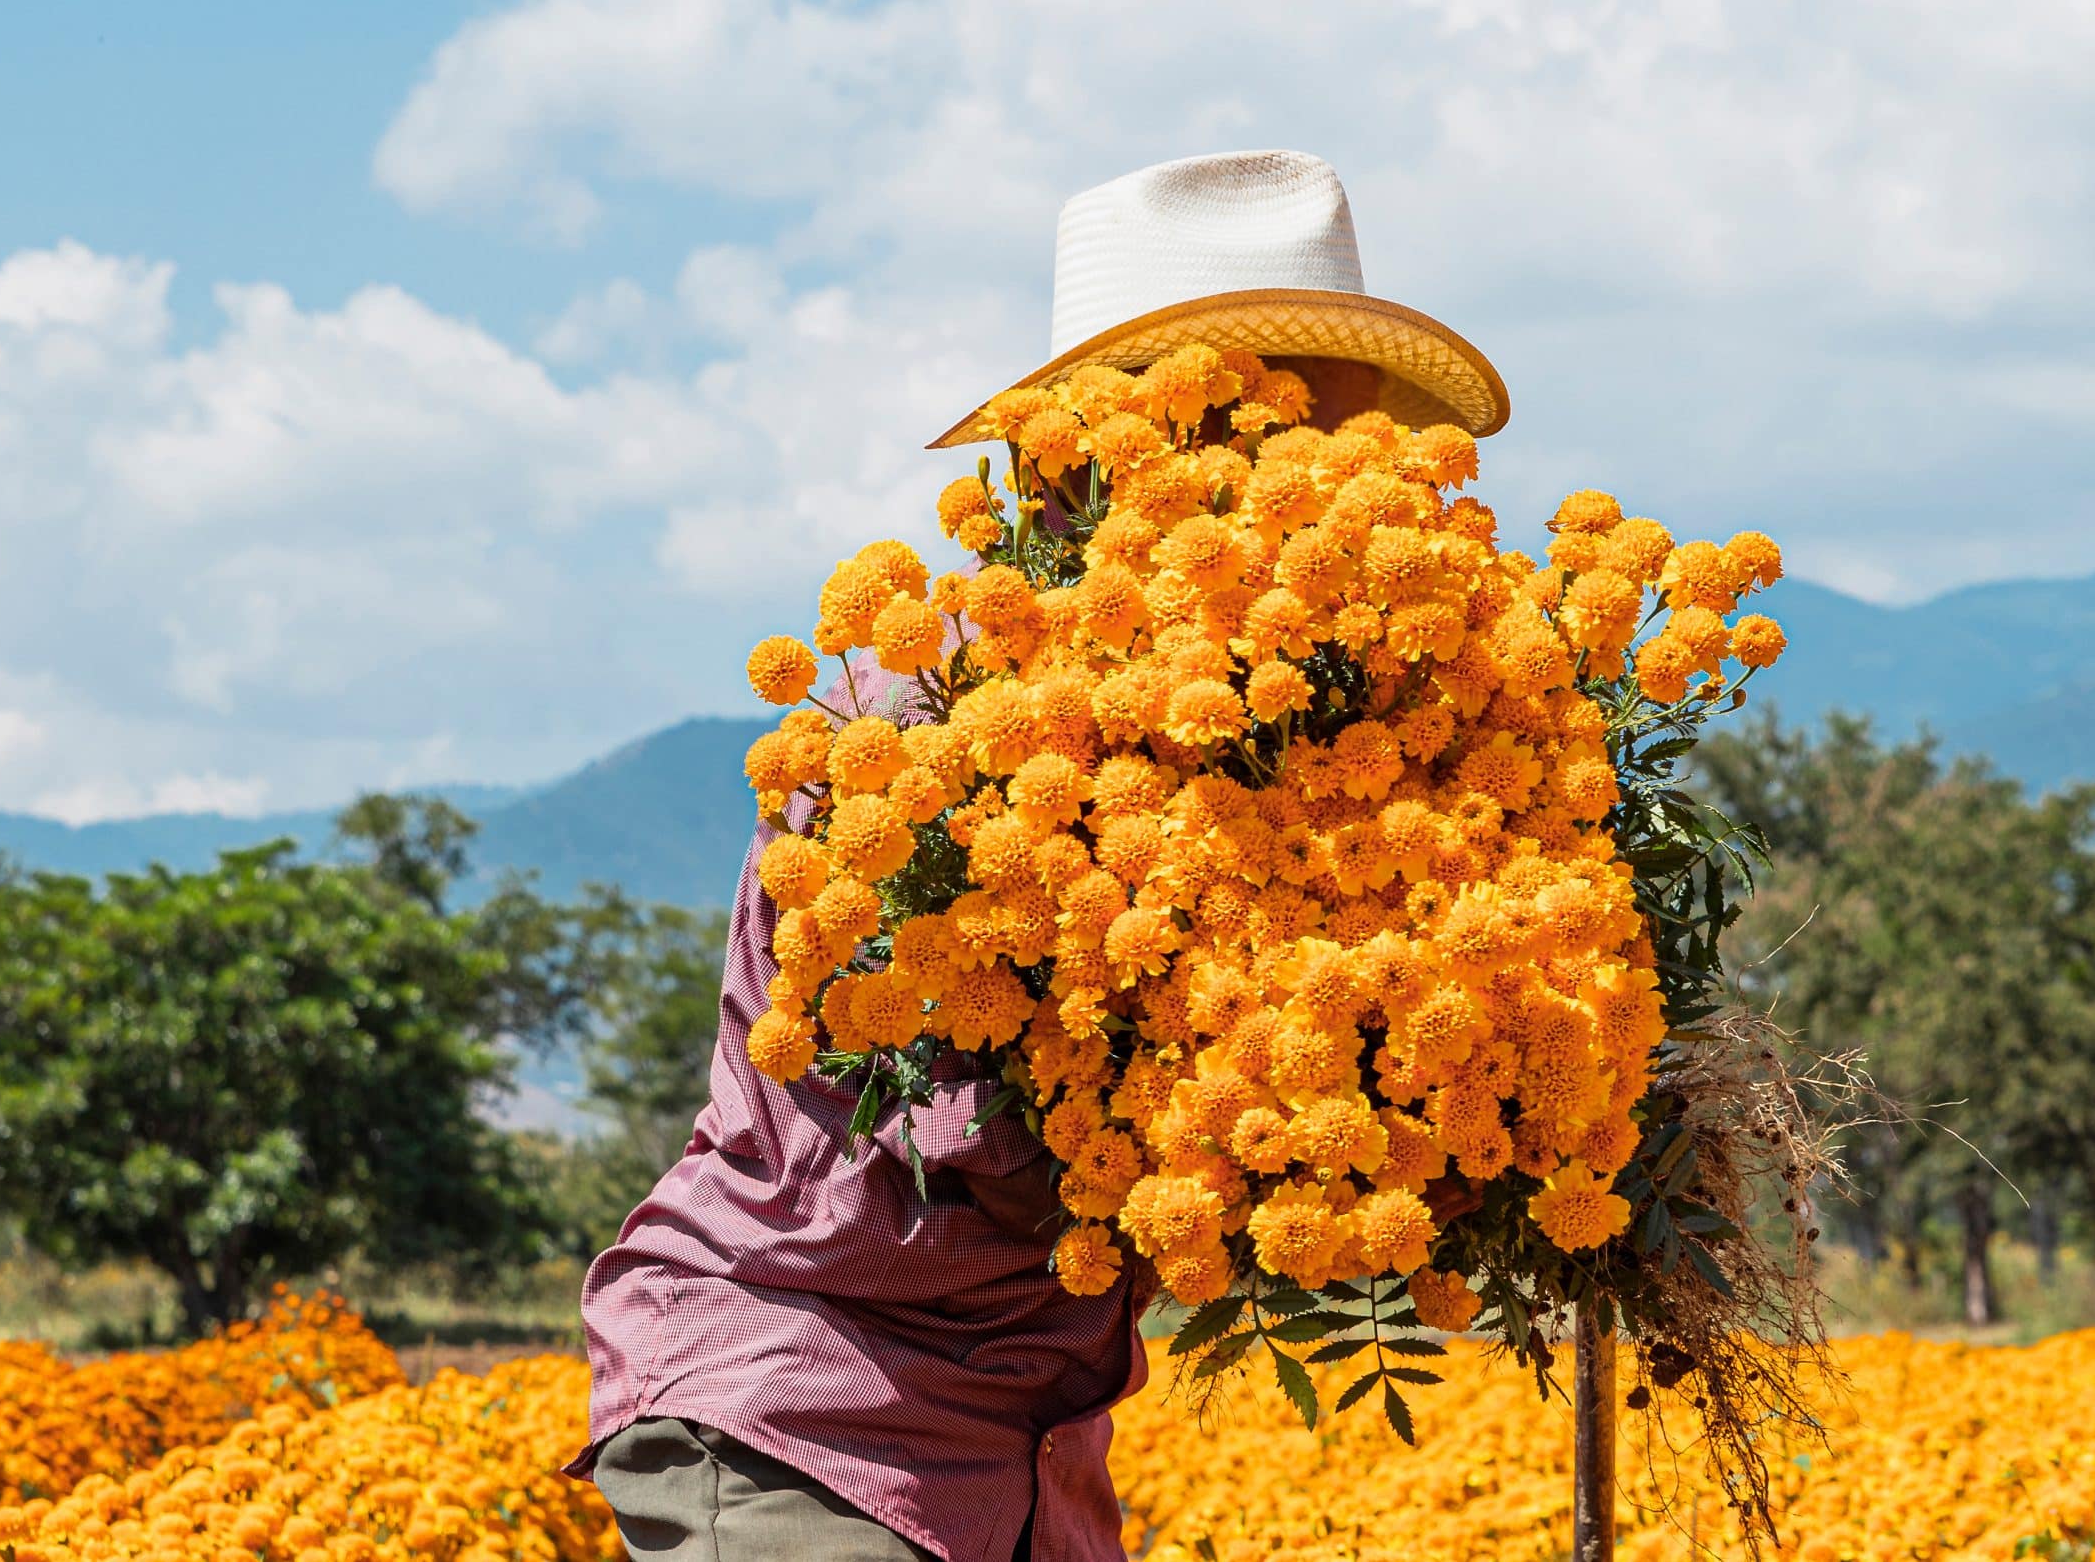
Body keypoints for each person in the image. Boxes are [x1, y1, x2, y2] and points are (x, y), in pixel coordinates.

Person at [567, 150, 1508, 1561]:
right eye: (1242, 422)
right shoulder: (920, 735)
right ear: (1088, 456)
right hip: (813, 1413)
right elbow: (977, 1139)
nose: (1284, 474)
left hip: (1026, 1449)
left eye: (1312, 431)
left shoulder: (1298, 755)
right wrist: (1316, 1085)